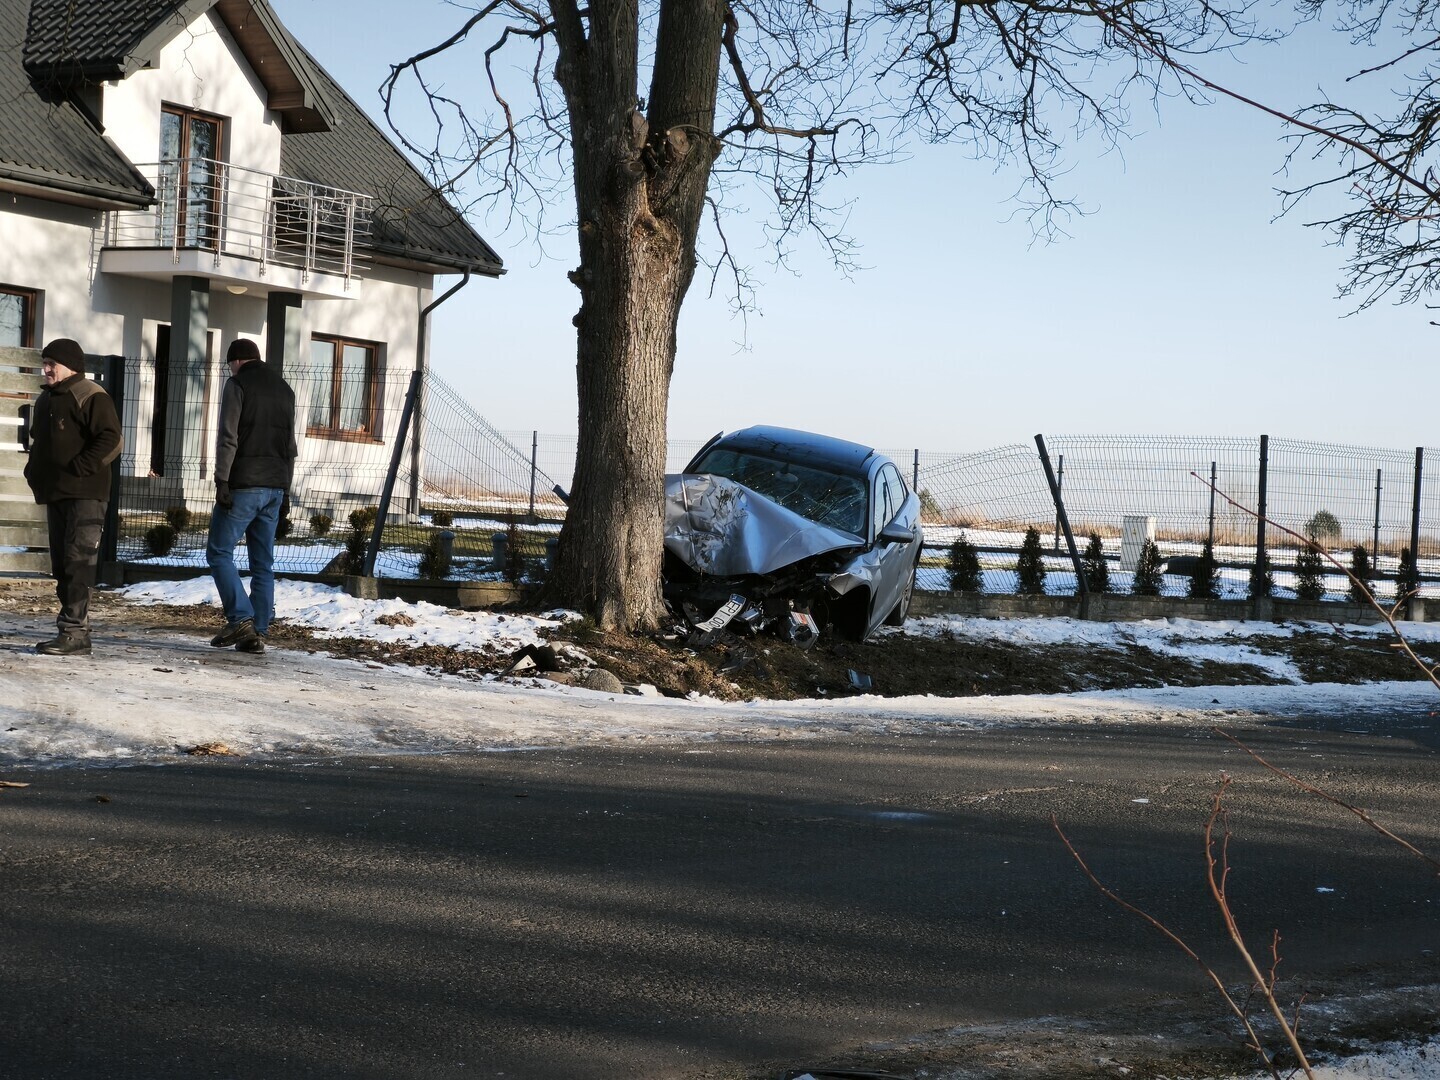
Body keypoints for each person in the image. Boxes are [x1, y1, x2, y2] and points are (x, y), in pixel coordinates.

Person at [22, 338, 123, 656]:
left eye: (52, 363)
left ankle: (74, 632)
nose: (46, 368)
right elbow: (39, 441)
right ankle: (77, 630)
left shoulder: (91, 395)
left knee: (77, 562)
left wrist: (83, 466)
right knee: (62, 566)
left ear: (70, 365)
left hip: (86, 493)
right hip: (56, 493)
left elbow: (112, 438)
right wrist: (33, 471)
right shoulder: (46, 399)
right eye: (45, 362)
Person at [206, 338, 297, 654]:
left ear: (236, 361)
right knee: (263, 562)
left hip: (243, 485)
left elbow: (228, 438)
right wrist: (285, 491)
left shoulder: (237, 384)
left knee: (218, 552)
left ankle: (241, 618)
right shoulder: (285, 390)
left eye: (229, 364)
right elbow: (290, 449)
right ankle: (256, 632)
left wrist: (222, 480)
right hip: (275, 487)